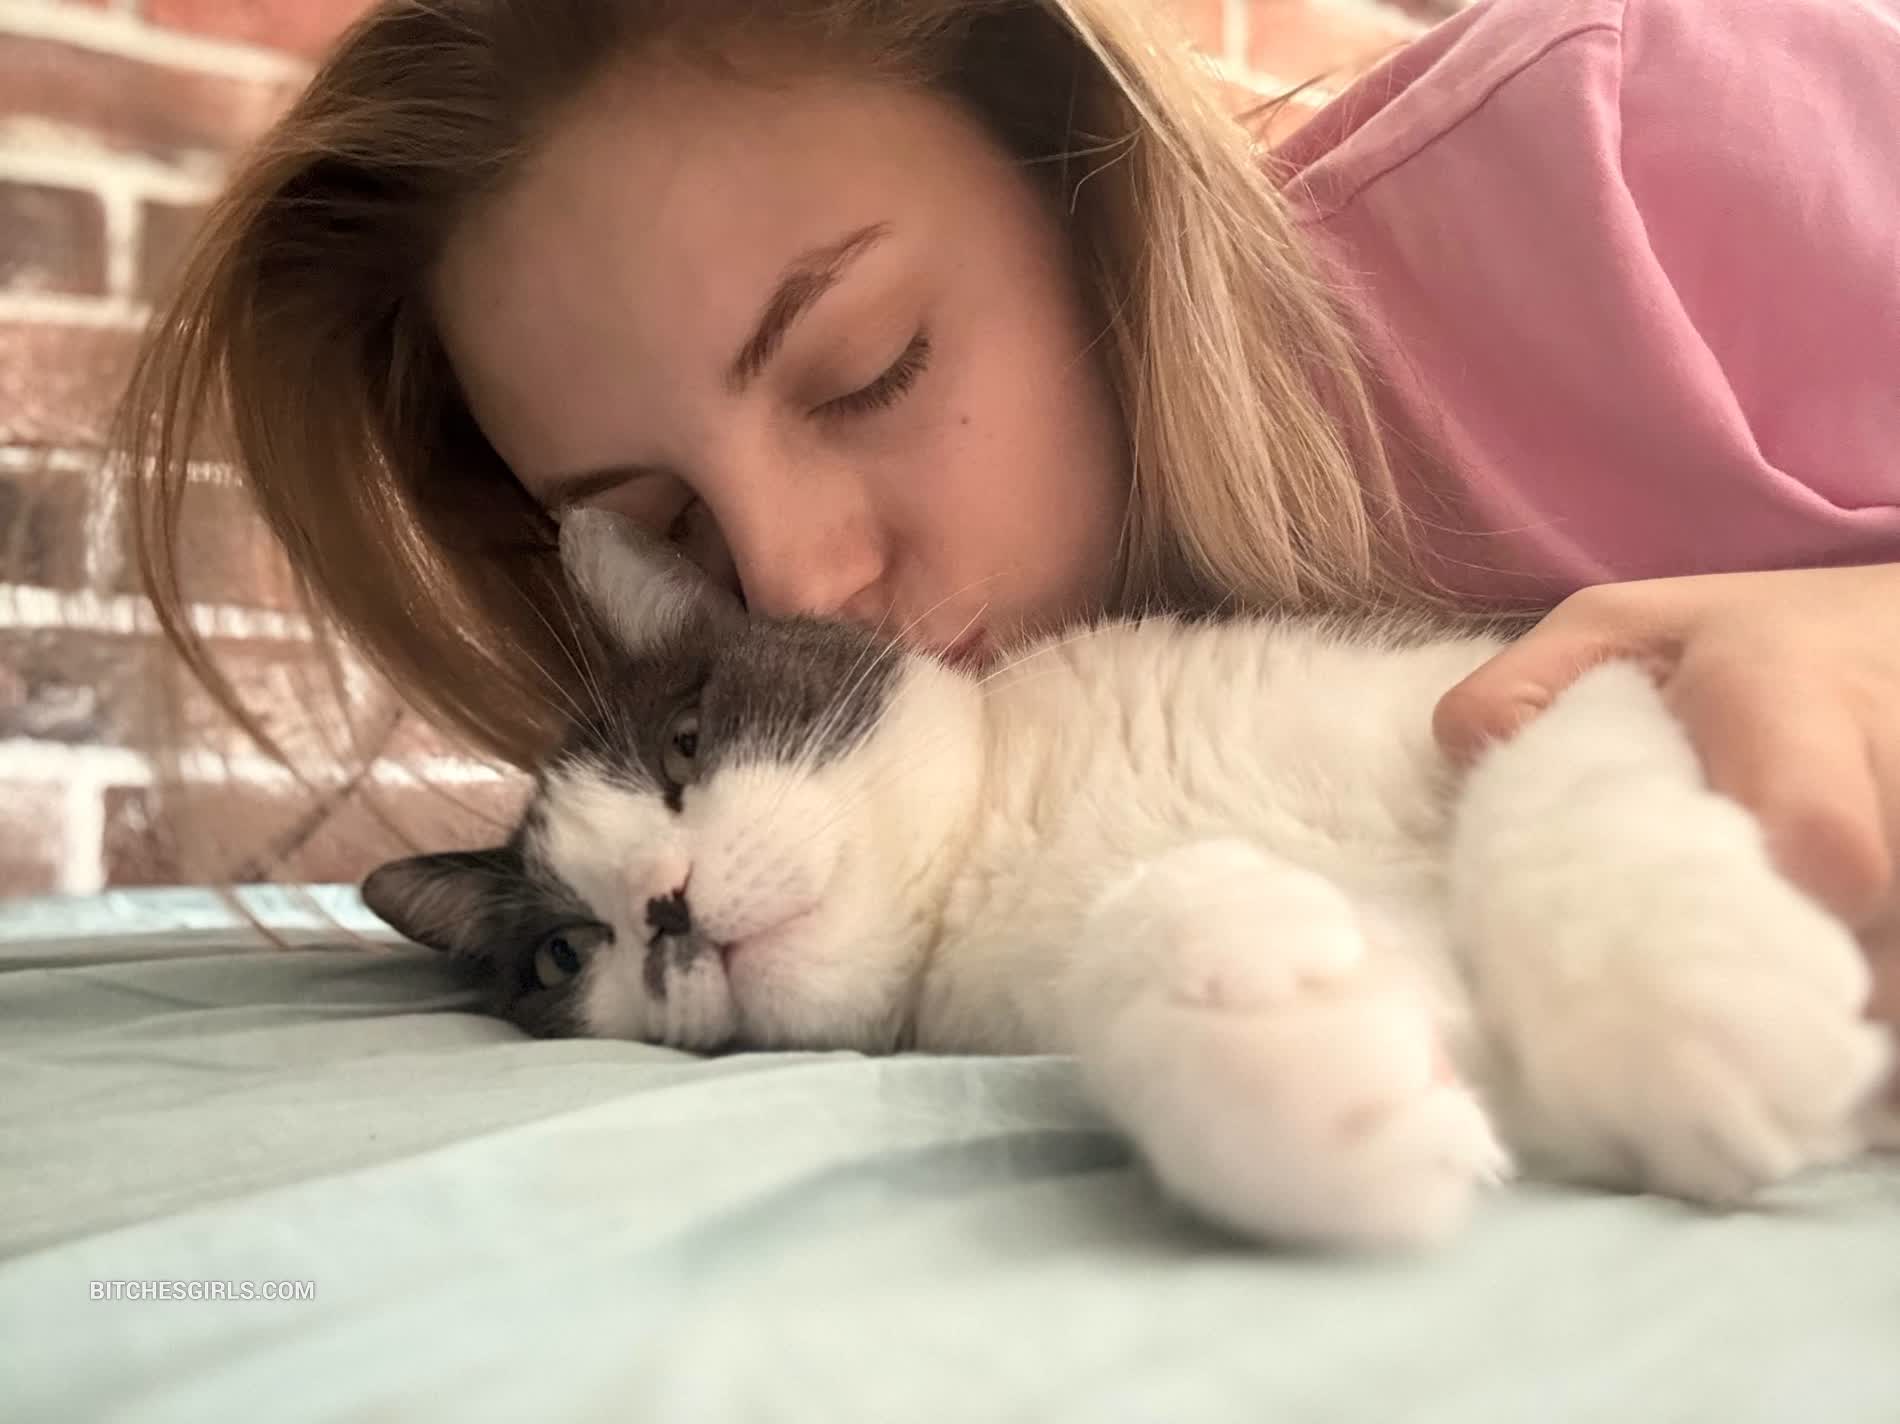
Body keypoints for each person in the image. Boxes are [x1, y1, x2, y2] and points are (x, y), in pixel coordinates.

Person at [116, 0, 1899, 1024]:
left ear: (1072, 172)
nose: (796, 580)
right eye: (659, 522)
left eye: (867, 368)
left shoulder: (1628, 149)